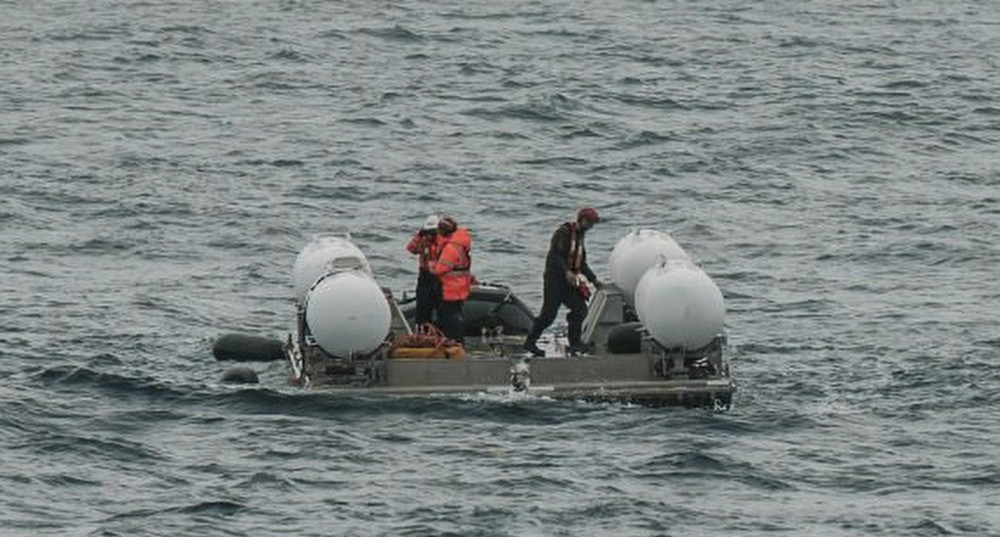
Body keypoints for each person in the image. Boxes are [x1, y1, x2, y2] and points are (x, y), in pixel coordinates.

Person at [522, 207, 603, 357]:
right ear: (583, 220)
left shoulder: (580, 238)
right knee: (548, 315)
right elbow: (555, 255)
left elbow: (581, 263)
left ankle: (575, 343)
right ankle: (530, 342)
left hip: (570, 283)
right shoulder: (564, 232)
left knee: (580, 309)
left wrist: (594, 280)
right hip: (555, 281)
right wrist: (566, 272)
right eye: (590, 223)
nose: (591, 227)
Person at [430, 216, 472, 344]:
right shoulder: (460, 243)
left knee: (450, 317)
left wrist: (431, 266)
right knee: (455, 314)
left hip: (450, 287)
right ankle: (455, 341)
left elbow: (439, 269)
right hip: (460, 285)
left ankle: (454, 342)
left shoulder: (451, 248)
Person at [406, 215, 442, 326]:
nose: (431, 234)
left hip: (440, 277)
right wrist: (419, 235)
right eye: (429, 231)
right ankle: (423, 332)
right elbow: (411, 248)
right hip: (425, 277)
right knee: (422, 308)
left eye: (433, 231)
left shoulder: (443, 241)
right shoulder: (423, 240)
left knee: (441, 308)